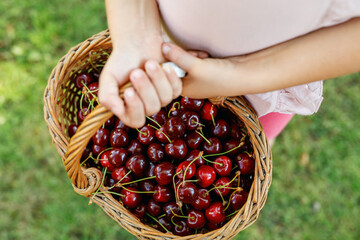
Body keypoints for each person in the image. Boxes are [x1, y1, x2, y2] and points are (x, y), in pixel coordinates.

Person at [99, 0, 360, 142]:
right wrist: (137, 30)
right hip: (158, 45)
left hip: (263, 82)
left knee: (247, 141)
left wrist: (238, 74)